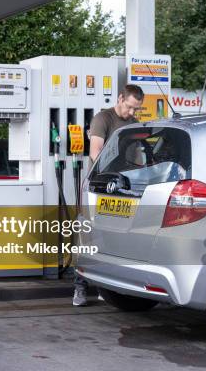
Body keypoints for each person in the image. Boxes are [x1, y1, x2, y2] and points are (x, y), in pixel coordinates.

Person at [73, 84, 144, 307]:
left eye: (136, 109)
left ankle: (110, 287)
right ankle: (80, 288)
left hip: (126, 190)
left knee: (116, 238)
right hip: (101, 186)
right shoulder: (103, 119)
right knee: (88, 236)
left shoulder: (134, 124)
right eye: (130, 107)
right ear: (120, 98)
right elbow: (96, 153)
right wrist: (111, 179)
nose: (132, 113)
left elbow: (139, 156)